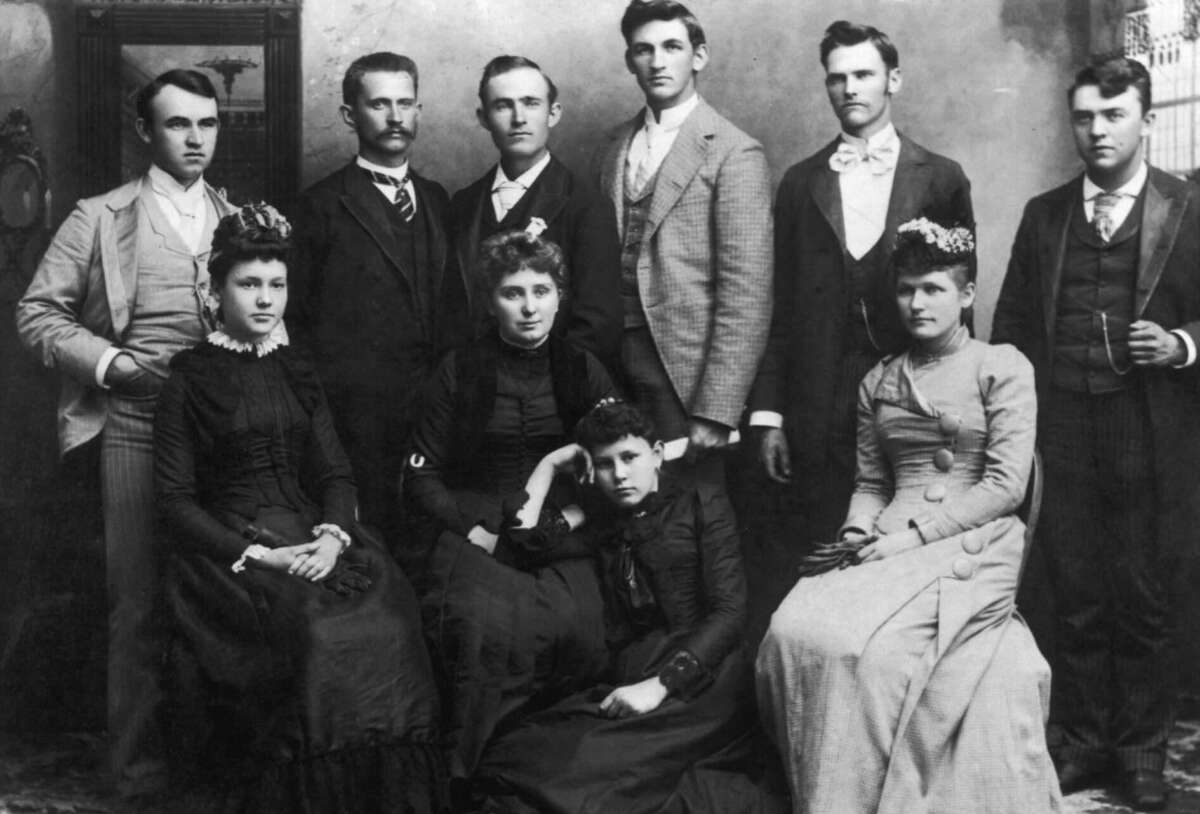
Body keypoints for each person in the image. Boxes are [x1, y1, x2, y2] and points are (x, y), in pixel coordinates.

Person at [756, 219, 1061, 813]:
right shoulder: (880, 379)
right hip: (888, 534)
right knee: (790, 630)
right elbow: (872, 483)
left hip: (972, 537)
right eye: (906, 290)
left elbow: (1006, 485)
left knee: (873, 655)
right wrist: (855, 534)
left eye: (933, 289)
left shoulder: (1001, 366)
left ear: (966, 295)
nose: (917, 303)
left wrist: (912, 540)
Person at [153, 204, 443, 812]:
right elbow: (176, 503)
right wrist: (263, 557)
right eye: (248, 284)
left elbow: (335, 472)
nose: (265, 299)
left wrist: (333, 538)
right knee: (314, 631)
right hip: (232, 554)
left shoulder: (298, 370)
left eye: (277, 285)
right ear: (216, 290)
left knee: (391, 613)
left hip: (314, 535)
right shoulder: (188, 379)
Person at [15, 69, 236, 798]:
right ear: (145, 131)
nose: (195, 138)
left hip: (219, 436)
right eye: (178, 124)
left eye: (207, 123)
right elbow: (37, 315)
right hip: (135, 426)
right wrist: (114, 366)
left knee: (220, 593)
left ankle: (212, 768)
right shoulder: (100, 216)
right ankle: (138, 773)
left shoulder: (238, 219)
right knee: (137, 600)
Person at [993, 55, 1200, 811]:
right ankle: (1081, 740)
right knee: (1075, 590)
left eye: (1113, 115)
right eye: (1084, 116)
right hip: (1063, 428)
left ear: (1146, 120)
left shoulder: (1188, 207)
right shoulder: (1045, 215)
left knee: (1142, 595)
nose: (1098, 130)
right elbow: (1012, 327)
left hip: (1147, 429)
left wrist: (1180, 345)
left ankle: (1142, 752)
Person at [746, 22, 974, 626]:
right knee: (820, 549)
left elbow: (960, 306)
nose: (850, 88)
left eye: (864, 74)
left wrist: (957, 407)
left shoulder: (941, 177)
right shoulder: (801, 183)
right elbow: (779, 308)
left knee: (901, 551)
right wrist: (769, 415)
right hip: (816, 401)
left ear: (893, 80)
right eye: (837, 78)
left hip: (911, 394)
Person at [473, 401, 788, 814]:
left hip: (703, 680)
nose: (619, 475)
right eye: (605, 464)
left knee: (577, 777)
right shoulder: (601, 518)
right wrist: (549, 465)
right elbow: (520, 544)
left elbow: (729, 613)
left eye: (630, 457)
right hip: (632, 672)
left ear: (656, 454)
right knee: (518, 753)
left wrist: (659, 686)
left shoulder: (701, 502)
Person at [404, 230, 615, 797]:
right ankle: (471, 777)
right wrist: (471, 531)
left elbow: (617, 462)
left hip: (561, 524)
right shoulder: (459, 368)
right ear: (490, 300)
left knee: (582, 624)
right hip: (476, 522)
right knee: (486, 627)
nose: (528, 307)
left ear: (560, 296)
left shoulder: (582, 368)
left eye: (541, 291)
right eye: (512, 293)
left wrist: (571, 518)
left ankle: (552, 779)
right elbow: (421, 475)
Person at [289, 52, 465, 568]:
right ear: (350, 115)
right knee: (370, 550)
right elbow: (295, 322)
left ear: (419, 110)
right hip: (357, 418)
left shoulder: (438, 199)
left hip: (433, 411)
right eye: (379, 104)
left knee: (433, 544)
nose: (394, 117)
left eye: (405, 104)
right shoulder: (320, 205)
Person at [594, 0, 772, 460]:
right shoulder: (611, 146)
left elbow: (747, 293)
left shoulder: (735, 152)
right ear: (629, 60)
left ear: (699, 56)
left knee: (688, 496)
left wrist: (717, 409)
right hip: (610, 363)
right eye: (644, 50)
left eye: (672, 47)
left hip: (684, 370)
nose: (657, 61)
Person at [450, 55, 621, 366]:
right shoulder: (462, 204)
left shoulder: (586, 205)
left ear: (552, 113)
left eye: (530, 103)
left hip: (551, 386)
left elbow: (597, 326)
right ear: (483, 117)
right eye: (503, 106)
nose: (518, 118)